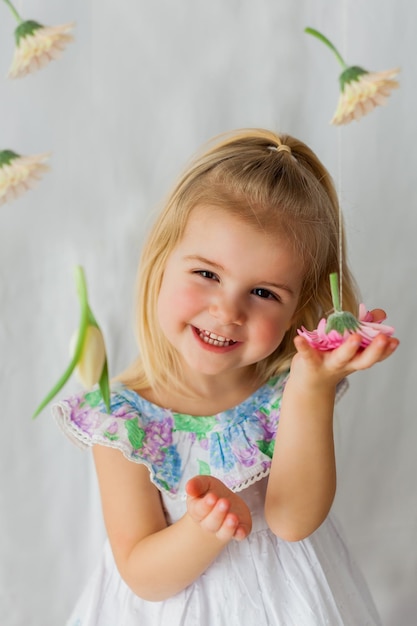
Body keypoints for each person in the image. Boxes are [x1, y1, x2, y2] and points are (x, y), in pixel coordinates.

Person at [53, 128, 399, 625]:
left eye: (263, 293)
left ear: (296, 310)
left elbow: (293, 520)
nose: (227, 310)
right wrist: (205, 527)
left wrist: (312, 386)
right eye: (207, 275)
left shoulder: (286, 392)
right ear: (161, 263)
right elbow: (142, 574)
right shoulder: (121, 421)